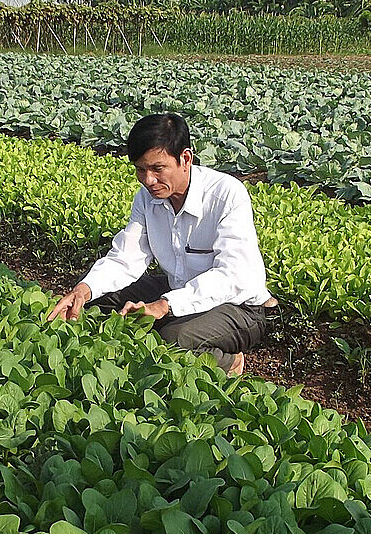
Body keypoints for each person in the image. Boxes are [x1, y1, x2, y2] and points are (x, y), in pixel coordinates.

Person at [47, 112, 277, 375]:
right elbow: (126, 257)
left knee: (174, 339)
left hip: (240, 306)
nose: (148, 180)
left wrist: (164, 306)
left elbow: (231, 276)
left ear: (185, 159)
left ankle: (229, 361)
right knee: (95, 297)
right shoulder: (147, 198)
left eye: (157, 169)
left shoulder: (226, 195)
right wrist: (83, 289)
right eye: (140, 170)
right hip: (177, 286)